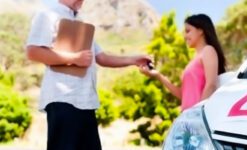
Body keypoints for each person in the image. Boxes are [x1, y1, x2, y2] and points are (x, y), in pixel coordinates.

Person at [25, 0, 151, 150]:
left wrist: (133, 60)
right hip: (63, 99)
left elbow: (102, 58)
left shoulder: (80, 23)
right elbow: (33, 51)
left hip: (86, 102)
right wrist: (74, 59)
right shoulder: (47, 15)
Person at [139, 14, 226, 111]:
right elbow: (183, 96)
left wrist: (197, 114)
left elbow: (211, 85)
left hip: (197, 118)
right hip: (187, 117)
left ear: (201, 30)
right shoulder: (194, 59)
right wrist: (158, 76)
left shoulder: (208, 50)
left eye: (188, 31)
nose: (185, 36)